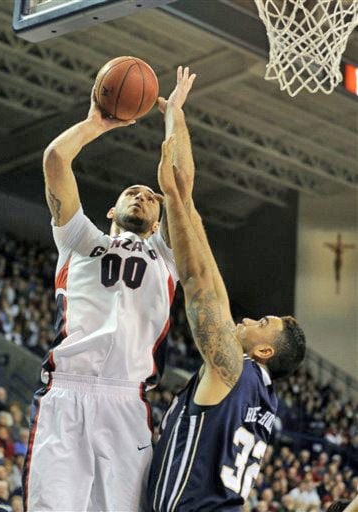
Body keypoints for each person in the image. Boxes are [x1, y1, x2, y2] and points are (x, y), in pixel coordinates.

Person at [22, 67, 196, 512]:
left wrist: (173, 115)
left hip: (126, 401)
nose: (143, 195)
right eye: (133, 192)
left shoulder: (166, 254)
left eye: (150, 197)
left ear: (159, 221)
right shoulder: (79, 238)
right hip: (66, 392)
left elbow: (181, 187)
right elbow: (55, 161)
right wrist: (97, 124)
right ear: (110, 209)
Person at [147, 130, 306, 508]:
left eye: (261, 322)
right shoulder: (259, 395)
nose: (249, 319)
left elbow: (200, 286)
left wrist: (173, 198)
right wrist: (186, 202)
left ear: (265, 350)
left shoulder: (233, 371)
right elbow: (215, 287)